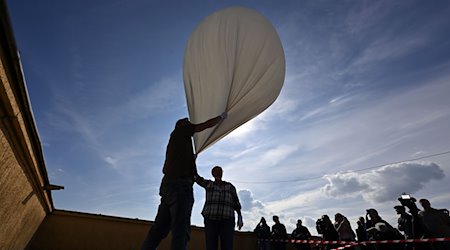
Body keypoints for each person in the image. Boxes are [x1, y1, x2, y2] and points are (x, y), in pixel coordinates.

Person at [141, 114, 225, 250]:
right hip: (179, 188)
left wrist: (192, 159)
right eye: (187, 122)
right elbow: (203, 125)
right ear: (181, 125)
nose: (189, 123)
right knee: (180, 231)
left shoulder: (177, 141)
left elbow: (180, 165)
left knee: (159, 229)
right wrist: (220, 117)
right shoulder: (180, 131)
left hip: (169, 187)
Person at [195, 166, 243, 250]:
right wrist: (192, 163)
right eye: (216, 171)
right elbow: (197, 178)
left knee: (227, 246)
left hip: (227, 220)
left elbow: (236, 202)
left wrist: (240, 217)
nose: (218, 173)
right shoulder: (209, 184)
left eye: (220, 171)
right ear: (212, 174)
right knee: (211, 245)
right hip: (210, 220)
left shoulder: (230, 186)